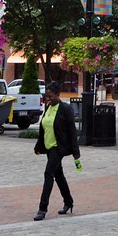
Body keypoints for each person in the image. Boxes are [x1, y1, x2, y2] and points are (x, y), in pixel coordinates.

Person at [33, 81, 81, 220]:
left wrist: (75, 151)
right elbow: (43, 128)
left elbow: (72, 131)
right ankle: (68, 202)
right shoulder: (48, 107)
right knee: (58, 175)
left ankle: (42, 209)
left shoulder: (65, 109)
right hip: (48, 146)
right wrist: (38, 146)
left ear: (58, 95)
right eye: (46, 96)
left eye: (50, 96)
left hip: (58, 147)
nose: (48, 98)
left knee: (48, 173)